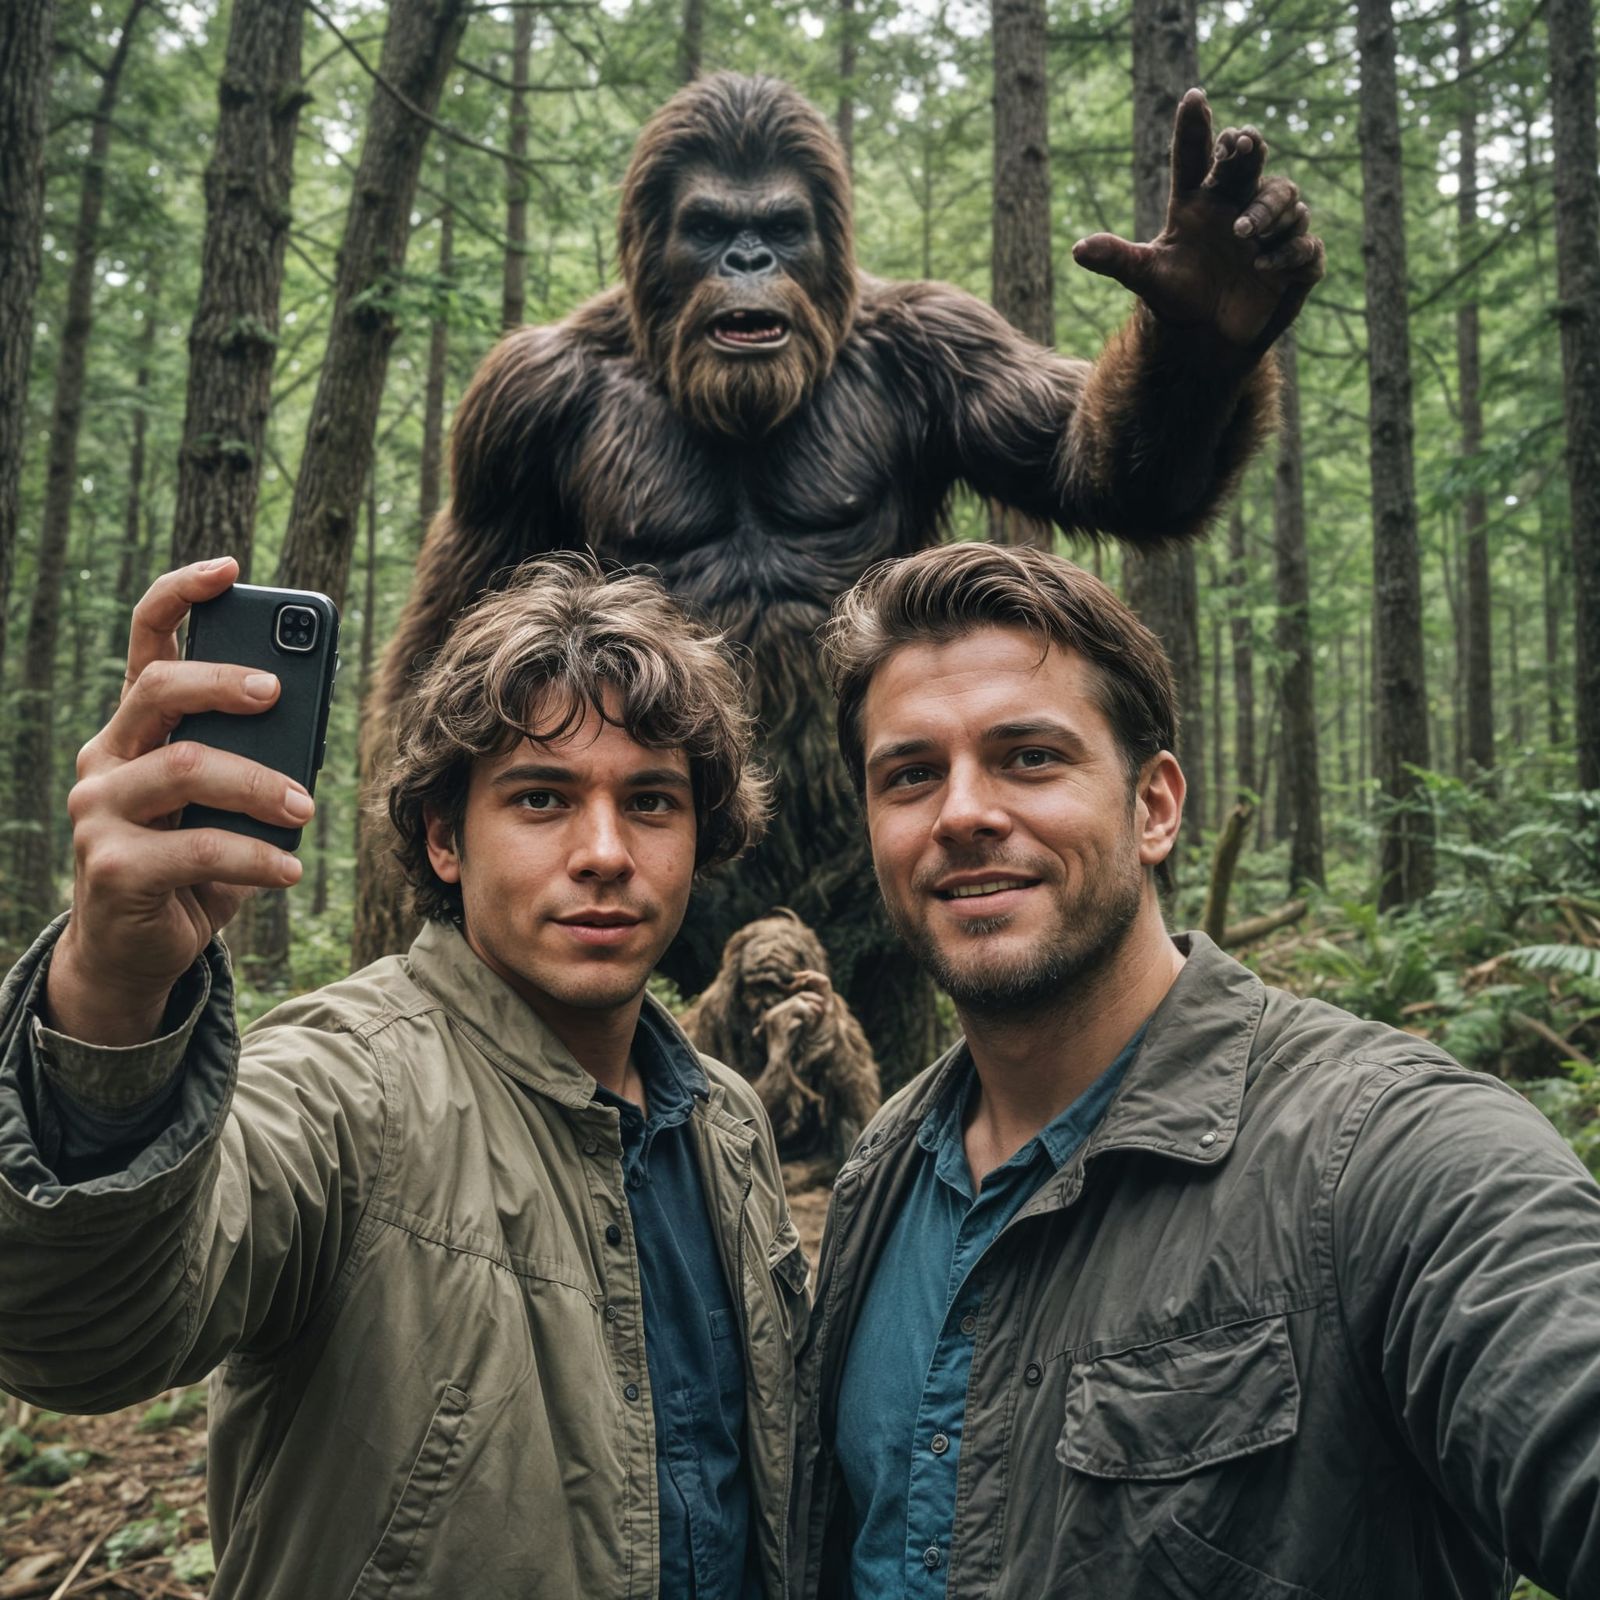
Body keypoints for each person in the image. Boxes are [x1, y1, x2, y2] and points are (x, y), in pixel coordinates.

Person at [788, 541, 1600, 1600]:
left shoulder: (1381, 1154)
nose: (961, 812)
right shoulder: (882, 1175)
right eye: (910, 774)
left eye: (1029, 755)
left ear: (1155, 806)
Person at [0, 553, 808, 1600]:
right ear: (443, 838)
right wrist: (111, 992)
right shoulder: (348, 1084)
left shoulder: (727, 1120)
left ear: (700, 836)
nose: (605, 850)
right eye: (541, 797)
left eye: (651, 800)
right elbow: (78, 1334)